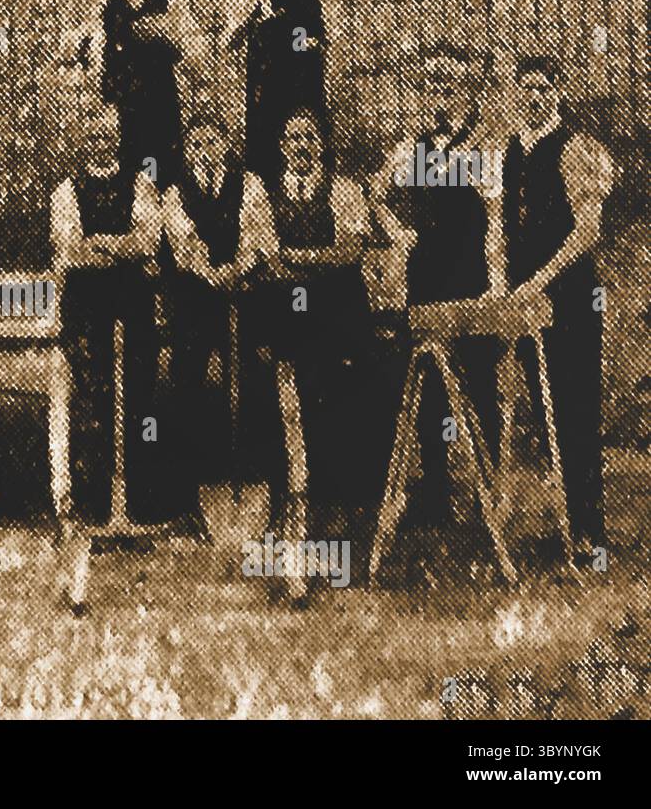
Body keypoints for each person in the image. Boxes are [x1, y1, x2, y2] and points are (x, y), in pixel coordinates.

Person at [247, 107, 371, 602]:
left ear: (322, 145)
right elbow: (269, 260)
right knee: (286, 428)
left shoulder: (343, 190)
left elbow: (349, 251)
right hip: (288, 327)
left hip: (337, 327)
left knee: (336, 423)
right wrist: (304, 265)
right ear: (282, 147)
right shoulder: (265, 197)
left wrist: (301, 262)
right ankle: (291, 536)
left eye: (310, 138)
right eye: (292, 138)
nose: (301, 146)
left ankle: (335, 538)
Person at [379, 42, 502, 535]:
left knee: (480, 384)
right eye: (432, 80)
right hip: (426, 278)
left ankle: (487, 497)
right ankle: (433, 493)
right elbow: (376, 192)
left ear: (463, 86)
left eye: (448, 80)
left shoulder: (480, 144)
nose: (440, 88)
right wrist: (397, 232)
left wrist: (495, 280)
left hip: (470, 276)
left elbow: (493, 219)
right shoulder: (413, 145)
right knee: (427, 387)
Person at [499, 54, 613, 560]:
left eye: (544, 87)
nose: (534, 96)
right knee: (545, 419)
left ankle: (591, 533)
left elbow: (586, 233)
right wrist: (505, 286)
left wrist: (539, 282)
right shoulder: (511, 153)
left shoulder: (577, 148)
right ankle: (564, 528)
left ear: (558, 94)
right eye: (525, 88)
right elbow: (506, 232)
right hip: (529, 307)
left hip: (570, 302)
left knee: (576, 412)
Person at [155, 112, 272, 521]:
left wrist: (238, 269)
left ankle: (255, 477)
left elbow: (259, 236)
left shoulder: (250, 185)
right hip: (195, 301)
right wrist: (212, 273)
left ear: (226, 144)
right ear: (187, 152)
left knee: (249, 383)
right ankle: (184, 493)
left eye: (212, 141)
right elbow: (184, 243)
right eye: (196, 144)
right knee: (185, 386)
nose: (205, 151)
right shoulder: (174, 193)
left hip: (241, 297)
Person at [51, 105, 164, 524]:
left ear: (118, 137)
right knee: (92, 402)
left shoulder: (140, 183)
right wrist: (119, 247)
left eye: (109, 134)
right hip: (87, 309)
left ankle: (138, 503)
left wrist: (100, 243)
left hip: (132, 305)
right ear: (84, 139)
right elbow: (70, 250)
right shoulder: (66, 190)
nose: (102, 142)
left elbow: (149, 241)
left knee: (139, 403)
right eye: (94, 135)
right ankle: (93, 506)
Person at [221, 0, 328, 183]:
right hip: (263, 80)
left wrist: (288, 35)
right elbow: (229, 39)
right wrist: (248, 11)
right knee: (263, 150)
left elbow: (315, 35)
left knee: (301, 145)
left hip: (298, 79)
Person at [100, 0, 205, 191]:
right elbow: (102, 61)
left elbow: (195, 54)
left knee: (164, 179)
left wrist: (165, 34)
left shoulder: (170, 2)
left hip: (162, 107)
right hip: (125, 111)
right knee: (128, 179)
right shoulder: (111, 7)